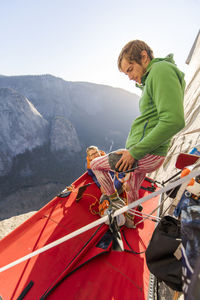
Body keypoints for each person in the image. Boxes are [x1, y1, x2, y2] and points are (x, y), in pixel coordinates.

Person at [90, 40, 185, 227]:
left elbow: (174, 120)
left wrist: (134, 153)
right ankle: (132, 217)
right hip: (146, 151)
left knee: (95, 165)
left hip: (146, 153)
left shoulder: (161, 71)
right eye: (126, 73)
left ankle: (113, 201)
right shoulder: (153, 76)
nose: (130, 76)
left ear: (144, 56)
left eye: (130, 69)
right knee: (132, 184)